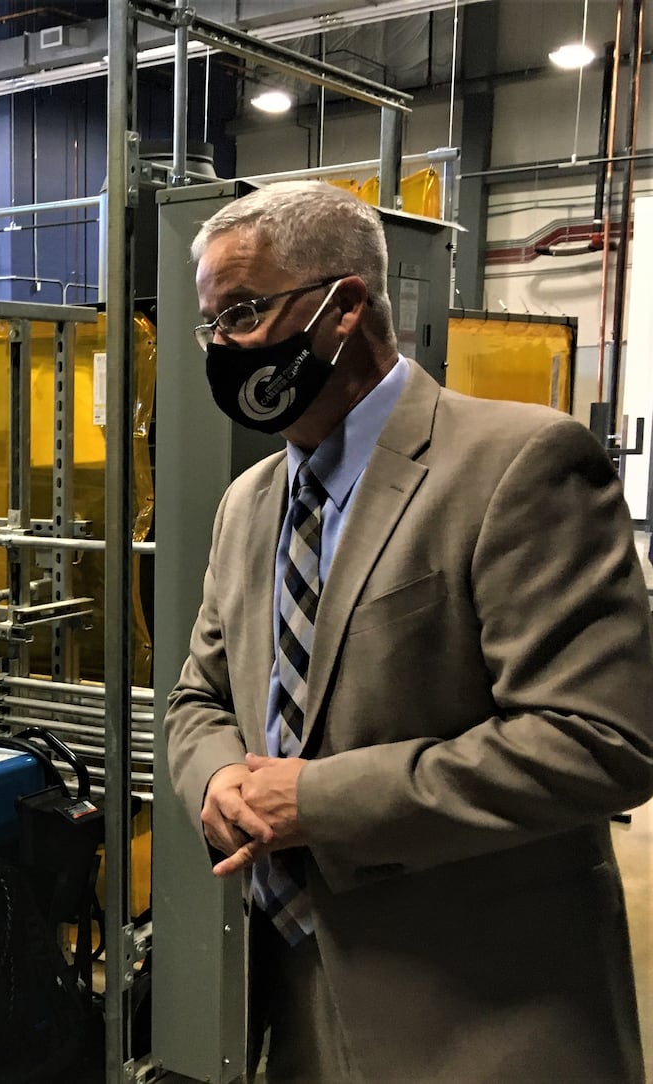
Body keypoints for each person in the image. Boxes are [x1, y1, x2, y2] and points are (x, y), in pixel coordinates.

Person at [164, 180, 653, 1083]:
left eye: (241, 313)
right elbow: (199, 693)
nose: (222, 348)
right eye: (211, 327)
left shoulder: (518, 465)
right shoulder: (248, 505)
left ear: (343, 306)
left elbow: (601, 741)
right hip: (295, 993)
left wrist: (317, 801)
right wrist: (221, 777)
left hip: (479, 1016)